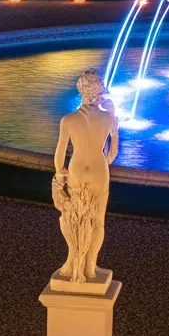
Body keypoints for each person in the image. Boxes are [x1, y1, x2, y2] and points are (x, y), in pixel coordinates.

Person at [51, 66, 118, 285]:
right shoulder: (108, 119)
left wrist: (59, 174)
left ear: (80, 90)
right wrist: (114, 120)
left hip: (77, 170)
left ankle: (72, 263)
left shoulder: (68, 120)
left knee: (75, 218)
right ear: (100, 91)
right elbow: (112, 154)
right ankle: (89, 267)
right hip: (99, 171)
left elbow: (60, 153)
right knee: (97, 221)